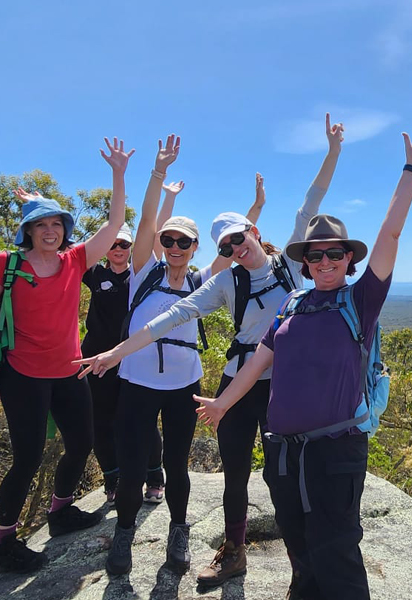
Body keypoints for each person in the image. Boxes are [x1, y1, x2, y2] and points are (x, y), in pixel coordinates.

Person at [75, 113, 345, 587]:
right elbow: (169, 318)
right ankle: (234, 551)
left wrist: (333, 152)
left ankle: (304, 568)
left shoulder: (294, 268)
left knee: (286, 477)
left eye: (240, 238)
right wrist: (116, 353)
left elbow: (311, 202)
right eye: (228, 245)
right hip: (238, 383)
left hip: (287, 385)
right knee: (235, 473)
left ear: (254, 234)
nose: (237, 248)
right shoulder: (223, 282)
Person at [194, 128, 412, 599]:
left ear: (349, 259)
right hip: (285, 453)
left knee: (338, 556)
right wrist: (223, 404)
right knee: (302, 553)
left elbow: (391, 232)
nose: (324, 260)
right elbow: (256, 364)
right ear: (304, 263)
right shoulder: (291, 306)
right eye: (315, 255)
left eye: (334, 253)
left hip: (336, 452)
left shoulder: (360, 300)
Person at [81, 135, 266, 576]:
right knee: (130, 468)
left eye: (184, 241)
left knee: (177, 468)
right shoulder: (144, 271)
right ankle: (124, 535)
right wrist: (157, 173)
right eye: (170, 239)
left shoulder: (204, 280)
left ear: (197, 247)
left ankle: (178, 533)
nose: (175, 246)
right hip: (137, 383)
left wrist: (255, 208)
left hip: (183, 386)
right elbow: (145, 220)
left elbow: (239, 245)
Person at [0, 137, 134, 574]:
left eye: (57, 224)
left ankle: (59, 514)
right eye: (41, 225)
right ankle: (4, 539)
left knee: (82, 444)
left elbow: (115, 224)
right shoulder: (8, 264)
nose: (50, 231)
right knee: (28, 456)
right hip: (23, 374)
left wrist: (118, 174)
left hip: (70, 372)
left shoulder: (75, 261)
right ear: (28, 232)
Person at [82, 181, 192, 506]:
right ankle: (112, 481)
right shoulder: (94, 273)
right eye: (113, 243)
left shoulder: (142, 274)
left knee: (143, 422)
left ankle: (154, 476)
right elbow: (68, 255)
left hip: (134, 358)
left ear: (131, 247)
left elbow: (156, 232)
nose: (117, 248)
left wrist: (168, 198)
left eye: (123, 244)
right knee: (102, 422)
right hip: (98, 358)